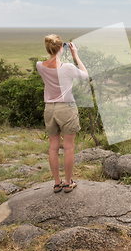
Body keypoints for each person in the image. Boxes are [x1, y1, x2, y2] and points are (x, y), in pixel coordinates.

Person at [36, 34, 88, 193]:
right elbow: (85, 75)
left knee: (53, 148)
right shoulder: (68, 67)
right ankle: (67, 183)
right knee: (68, 147)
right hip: (66, 108)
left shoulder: (39, 65)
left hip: (49, 109)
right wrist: (76, 55)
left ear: (47, 48)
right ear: (61, 48)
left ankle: (57, 183)